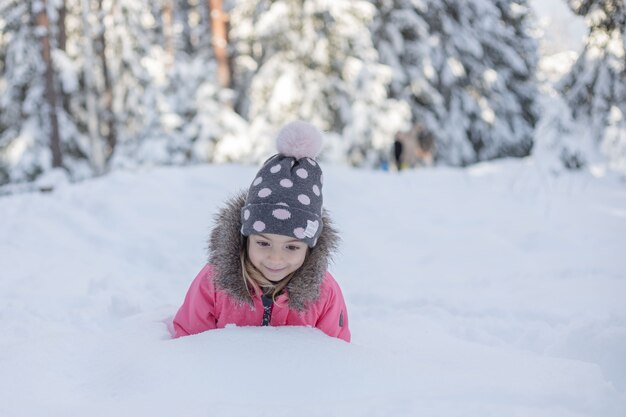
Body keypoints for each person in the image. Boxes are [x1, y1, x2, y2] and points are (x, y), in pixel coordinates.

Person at [172, 121, 351, 342]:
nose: (276, 258)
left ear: (310, 247)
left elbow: (336, 355)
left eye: (292, 246)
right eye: (263, 243)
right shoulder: (214, 283)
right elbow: (187, 343)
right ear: (245, 238)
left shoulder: (324, 294)